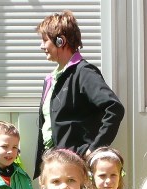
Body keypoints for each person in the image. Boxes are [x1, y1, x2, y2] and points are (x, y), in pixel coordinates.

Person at [33, 10, 125, 178]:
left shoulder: (84, 73)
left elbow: (114, 108)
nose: (41, 46)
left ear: (61, 40)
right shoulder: (51, 79)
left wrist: (94, 149)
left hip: (74, 167)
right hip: (54, 164)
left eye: (45, 40)